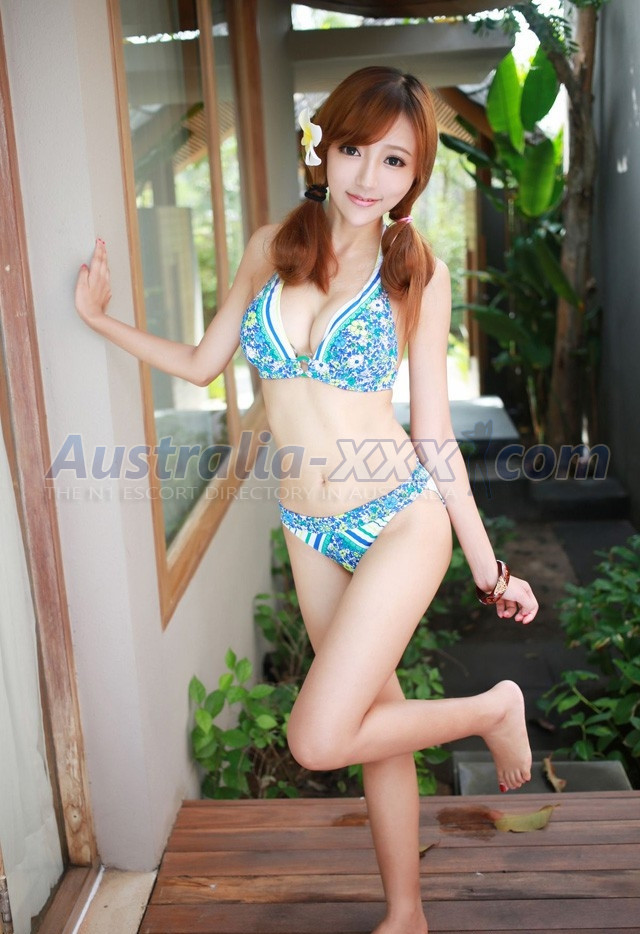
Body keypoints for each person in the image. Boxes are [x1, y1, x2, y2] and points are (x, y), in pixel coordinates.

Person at [75, 66, 537, 934]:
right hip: (309, 526)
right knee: (376, 720)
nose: (369, 176)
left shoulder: (415, 271)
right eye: (355, 149)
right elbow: (203, 364)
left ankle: (492, 708)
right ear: (322, 146)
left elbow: (434, 433)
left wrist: (489, 568)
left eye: (395, 161)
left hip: (400, 518)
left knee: (317, 737)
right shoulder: (271, 247)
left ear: (415, 176)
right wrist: (101, 321)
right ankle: (406, 914)